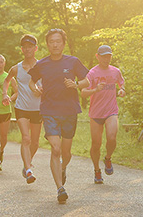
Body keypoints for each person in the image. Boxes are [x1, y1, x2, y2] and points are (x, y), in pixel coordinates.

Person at [28, 28, 90, 203]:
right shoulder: (42, 64)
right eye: (51, 41)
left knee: (66, 152)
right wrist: (35, 89)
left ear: (63, 43)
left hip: (70, 111)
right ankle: (59, 188)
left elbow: (88, 79)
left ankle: (62, 168)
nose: (55, 44)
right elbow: (31, 81)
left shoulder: (73, 61)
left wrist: (76, 84)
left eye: (58, 41)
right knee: (55, 149)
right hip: (49, 111)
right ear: (47, 44)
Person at [81, 45, 125, 184]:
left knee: (112, 137)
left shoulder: (115, 71)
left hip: (111, 111)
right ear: (97, 56)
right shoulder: (92, 73)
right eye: (104, 56)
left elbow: (122, 84)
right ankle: (97, 171)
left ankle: (108, 158)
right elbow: (83, 92)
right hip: (96, 113)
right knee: (96, 144)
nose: (106, 59)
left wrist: (122, 90)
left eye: (109, 56)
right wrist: (95, 89)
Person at [2, 34, 42, 184]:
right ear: (22, 49)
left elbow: (50, 83)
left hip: (38, 108)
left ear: (35, 48)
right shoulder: (16, 68)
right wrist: (5, 94)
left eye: (30, 46)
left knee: (35, 143)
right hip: (22, 107)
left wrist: (43, 89)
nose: (27, 49)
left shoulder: (42, 66)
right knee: (26, 138)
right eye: (25, 47)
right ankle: (29, 169)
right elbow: (6, 82)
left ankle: (26, 164)